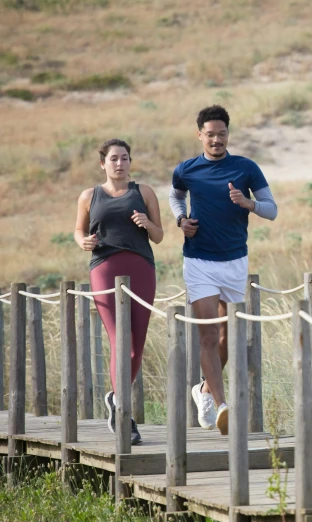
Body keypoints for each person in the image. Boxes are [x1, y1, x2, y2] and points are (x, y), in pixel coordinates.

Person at [169, 105, 277, 435]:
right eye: (210, 134)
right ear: (199, 135)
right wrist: (180, 219)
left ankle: (202, 390)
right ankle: (221, 405)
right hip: (199, 261)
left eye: (222, 134)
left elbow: (271, 210)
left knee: (229, 337)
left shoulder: (246, 168)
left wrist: (249, 204)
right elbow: (175, 196)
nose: (216, 139)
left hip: (234, 261)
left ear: (229, 134)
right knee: (208, 335)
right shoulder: (186, 170)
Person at [73, 138, 164, 445]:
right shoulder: (89, 195)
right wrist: (82, 242)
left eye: (124, 158)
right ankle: (124, 411)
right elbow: (78, 230)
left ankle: (114, 398)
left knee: (137, 344)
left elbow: (160, 236)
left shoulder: (144, 192)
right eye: (113, 158)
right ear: (103, 163)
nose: (120, 163)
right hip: (105, 267)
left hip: (141, 267)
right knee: (119, 340)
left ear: (130, 162)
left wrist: (147, 222)